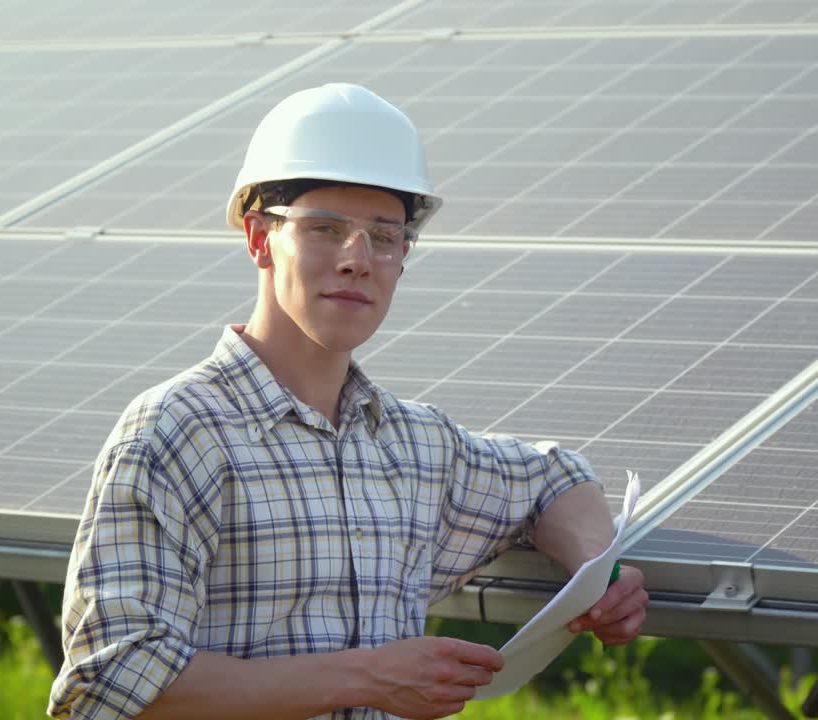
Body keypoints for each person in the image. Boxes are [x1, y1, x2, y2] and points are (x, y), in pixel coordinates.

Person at [48, 83, 647, 720]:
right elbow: (110, 682)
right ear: (259, 239)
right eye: (325, 230)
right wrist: (367, 678)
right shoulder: (176, 434)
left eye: (384, 237)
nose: (357, 260)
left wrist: (597, 572)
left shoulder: (415, 447)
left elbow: (556, 479)